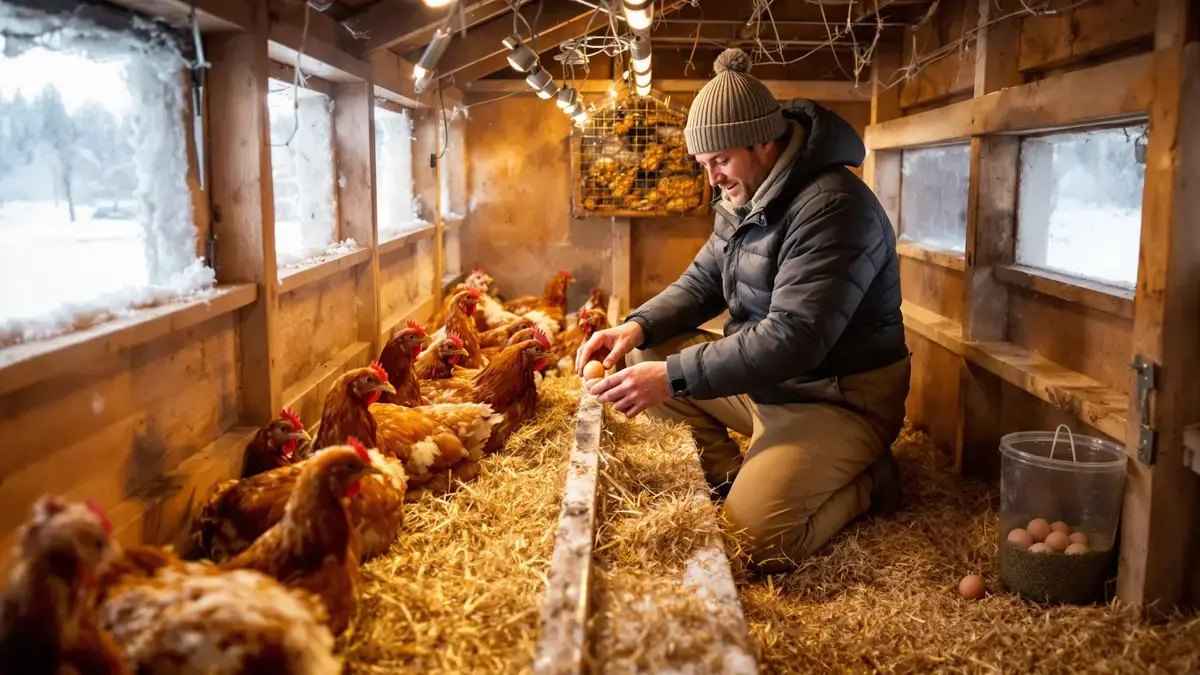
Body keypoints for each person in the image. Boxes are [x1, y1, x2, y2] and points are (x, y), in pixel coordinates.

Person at [576, 48, 910, 573]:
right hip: (772, 385)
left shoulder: (832, 208)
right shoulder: (747, 194)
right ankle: (738, 477)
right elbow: (705, 279)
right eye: (704, 165)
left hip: (834, 397)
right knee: (647, 351)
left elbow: (796, 336)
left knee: (750, 544)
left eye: (720, 162)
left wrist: (672, 376)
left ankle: (869, 481)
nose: (712, 179)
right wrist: (635, 325)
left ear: (764, 140)